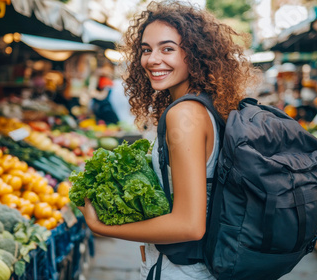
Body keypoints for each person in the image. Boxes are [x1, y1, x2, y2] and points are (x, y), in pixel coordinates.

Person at [77, 1, 259, 279]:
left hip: (182, 271)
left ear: (195, 55)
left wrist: (100, 226)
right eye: (146, 50)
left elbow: (189, 225)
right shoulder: (206, 105)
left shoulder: (184, 114)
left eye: (168, 49)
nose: (152, 60)